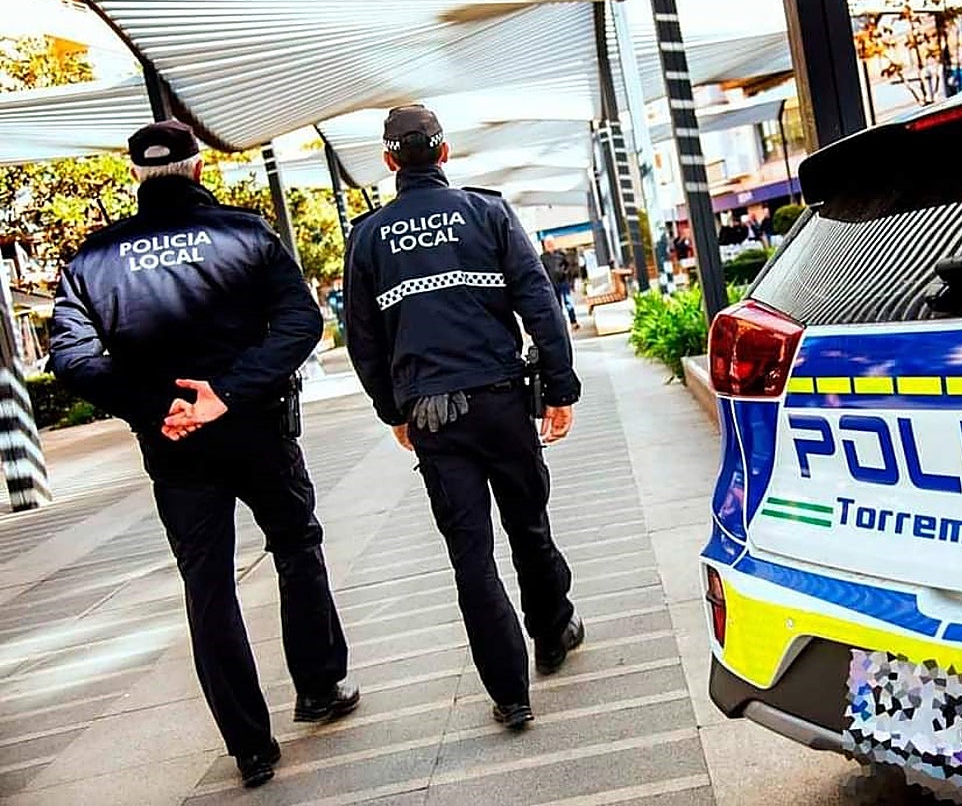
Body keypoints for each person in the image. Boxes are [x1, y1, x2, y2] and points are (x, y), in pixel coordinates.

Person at [48, 120, 358, 789]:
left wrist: (157, 405)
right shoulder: (245, 234)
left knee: (207, 584)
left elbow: (70, 357)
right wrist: (229, 392)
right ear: (196, 167)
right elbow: (302, 322)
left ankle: (250, 747)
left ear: (137, 176)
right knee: (296, 545)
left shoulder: (93, 259)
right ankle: (318, 689)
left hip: (174, 445)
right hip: (256, 425)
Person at [343, 104, 584, 732]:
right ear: (444, 154)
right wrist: (560, 387)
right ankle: (552, 631)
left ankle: (510, 694)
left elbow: (363, 339)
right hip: (501, 399)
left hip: (432, 415)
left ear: (390, 161)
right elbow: (539, 303)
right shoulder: (488, 211)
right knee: (527, 523)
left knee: (470, 555)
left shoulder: (368, 237)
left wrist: (391, 410)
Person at [540, 236, 580, 330]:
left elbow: (569, 266)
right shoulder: (543, 258)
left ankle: (573, 322)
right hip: (552, 285)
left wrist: (565, 274)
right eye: (548, 243)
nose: (550, 245)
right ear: (545, 245)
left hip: (563, 282)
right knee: (557, 306)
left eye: (551, 243)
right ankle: (561, 325)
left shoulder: (560, 254)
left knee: (568, 302)